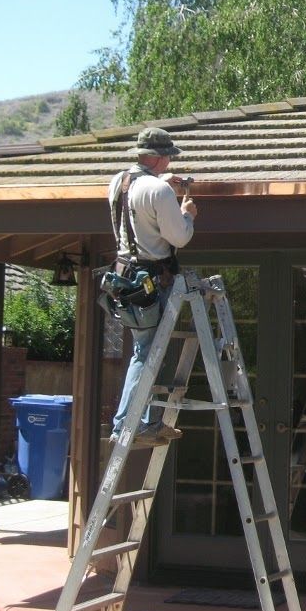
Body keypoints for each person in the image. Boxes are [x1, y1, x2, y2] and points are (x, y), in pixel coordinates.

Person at [108, 126, 198, 446]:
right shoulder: (159, 192)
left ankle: (145, 420)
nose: (170, 165)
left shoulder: (118, 182)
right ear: (159, 159)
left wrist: (162, 183)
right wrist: (186, 213)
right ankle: (126, 424)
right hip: (150, 279)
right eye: (168, 160)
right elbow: (180, 237)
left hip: (124, 278)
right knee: (146, 352)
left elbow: (140, 196)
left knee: (146, 349)